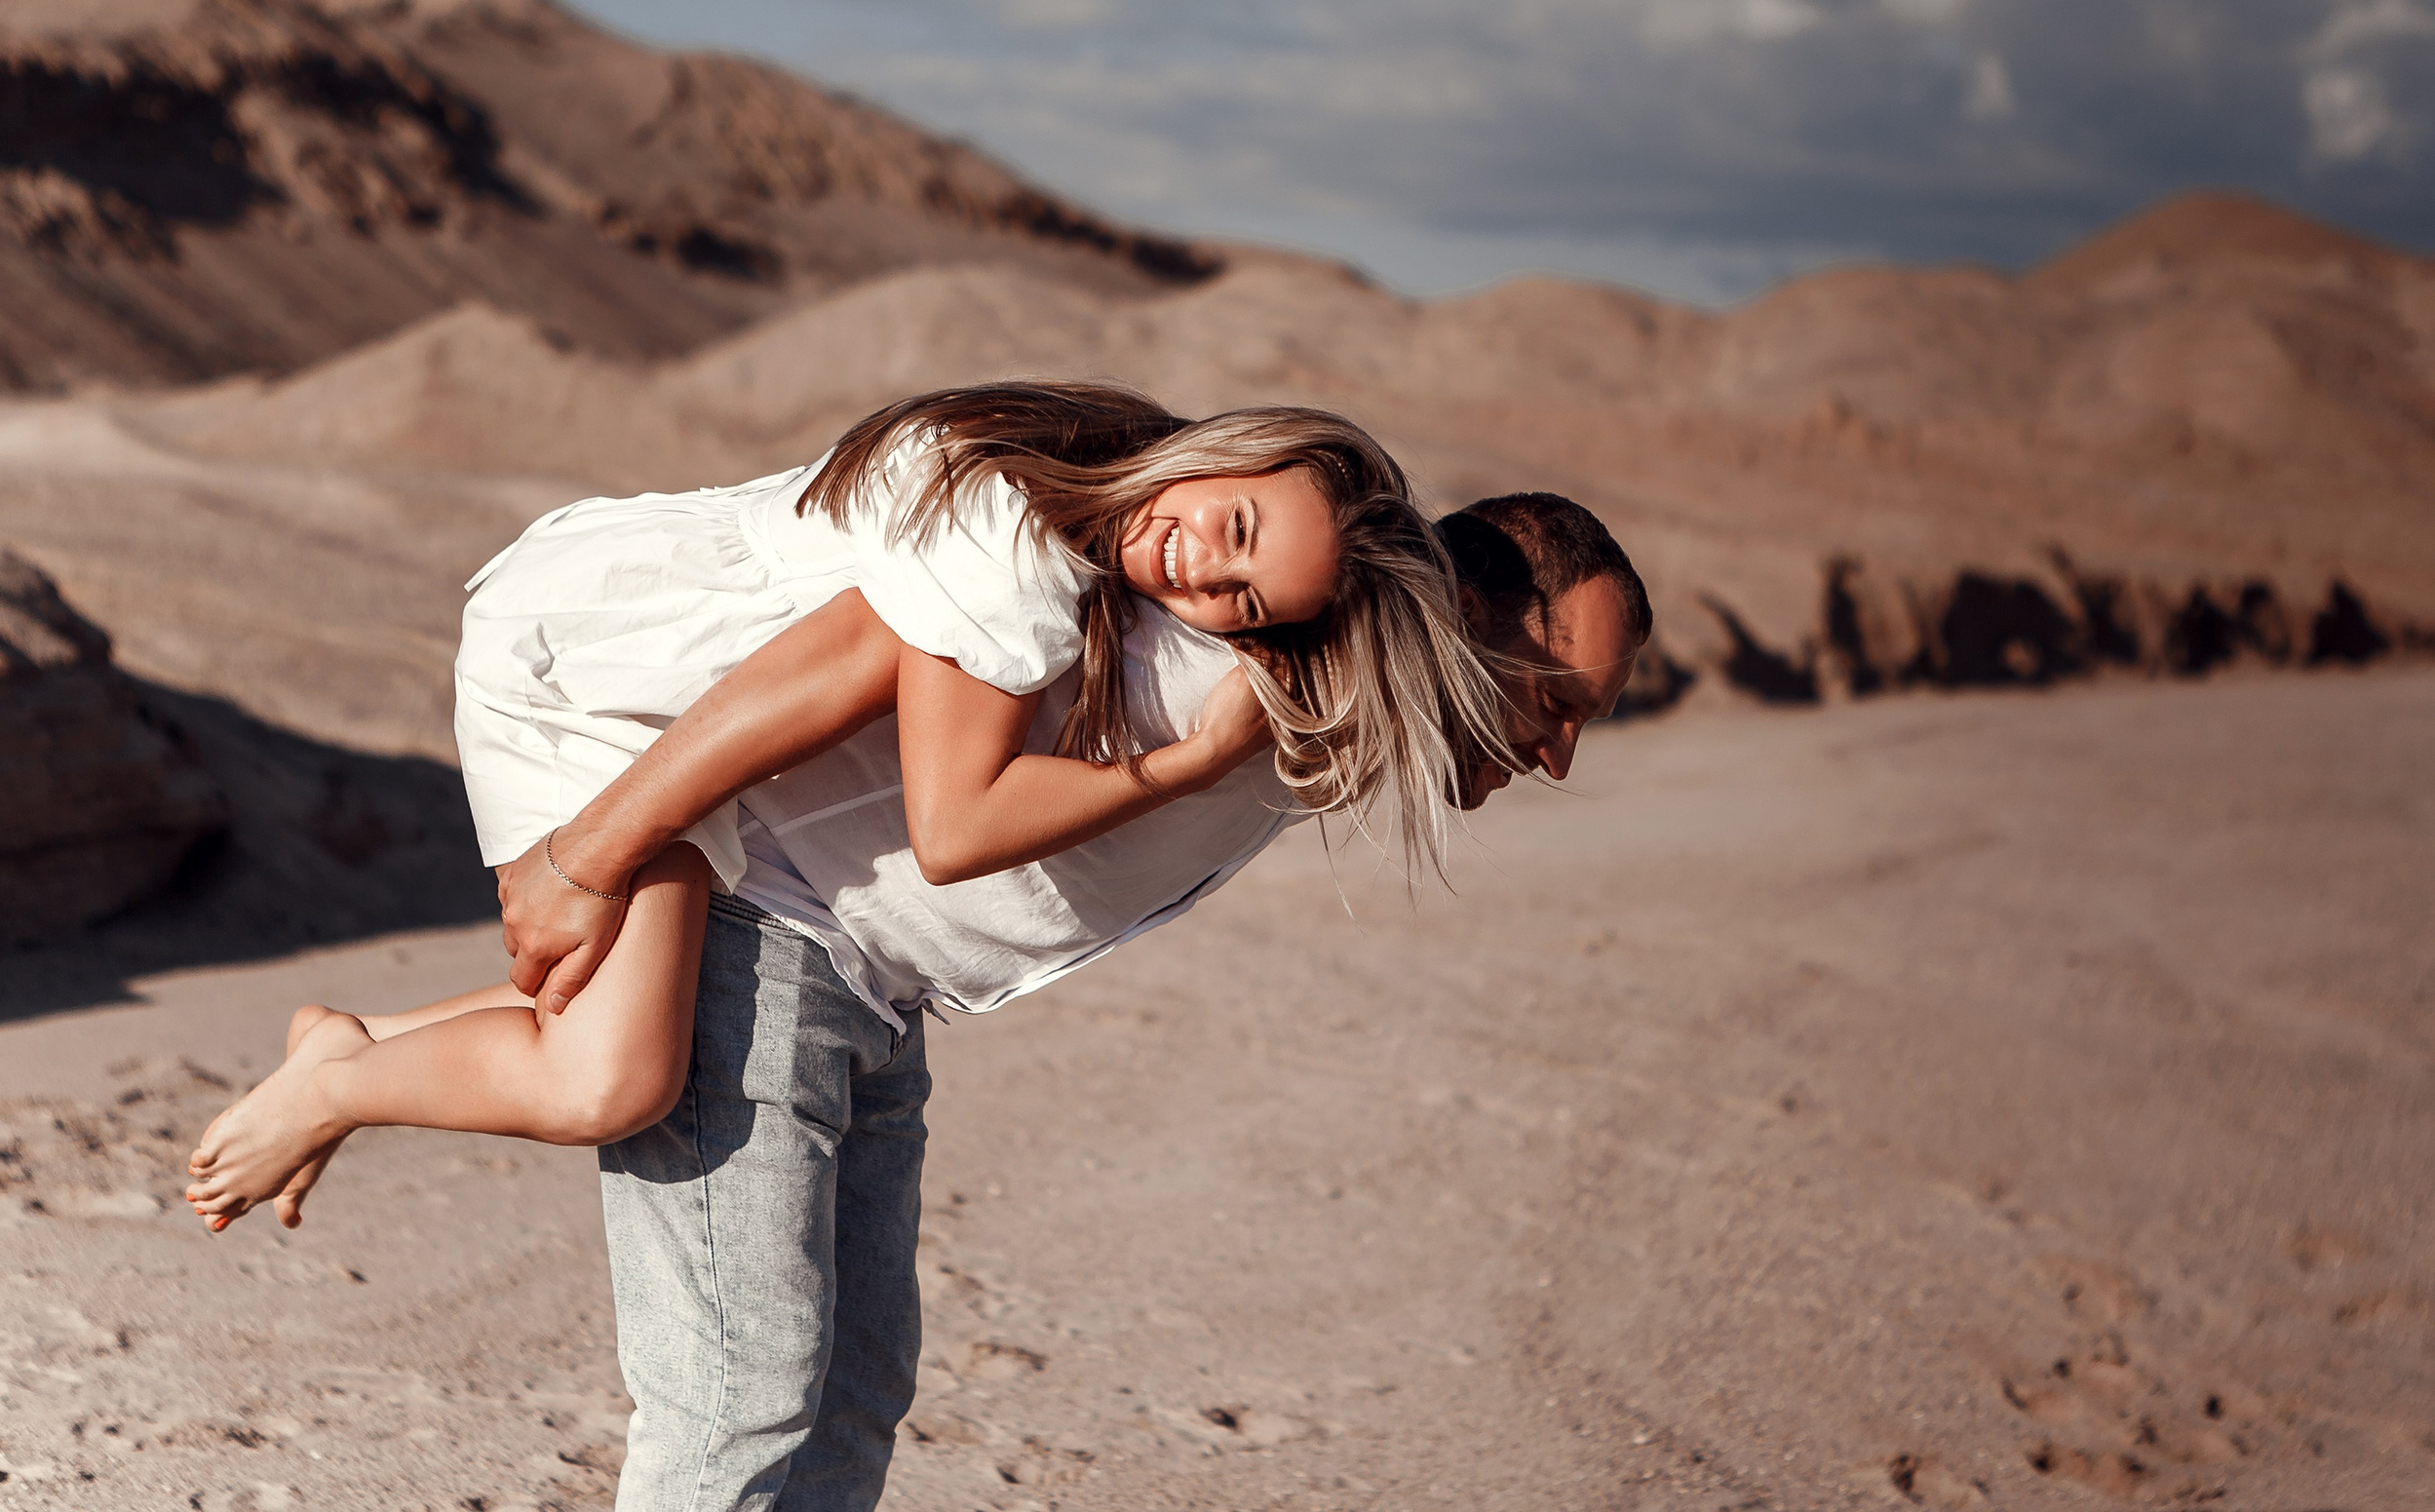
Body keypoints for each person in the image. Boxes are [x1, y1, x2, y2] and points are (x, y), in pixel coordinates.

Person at [461, 485, 1649, 1511]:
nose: (1558, 756)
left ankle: (340, 1067)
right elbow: (870, 642)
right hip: (764, 918)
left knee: (859, 1387)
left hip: (873, 991)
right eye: (1557, 702)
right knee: (741, 1388)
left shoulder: (1322, 707)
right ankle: (344, 1075)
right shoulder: (1225, 625)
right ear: (1462, 625)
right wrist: (597, 851)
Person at [184, 382, 1516, 1231]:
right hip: (606, 665)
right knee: (616, 1077)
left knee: (614, 1029)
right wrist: (1173, 765)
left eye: (1242, 603)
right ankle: (344, 1082)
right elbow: (955, 827)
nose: (1203, 573)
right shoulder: (1013, 534)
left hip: (697, 714)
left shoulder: (1079, 536)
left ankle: (348, 1040)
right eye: (1230, 524)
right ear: (1234, 449)